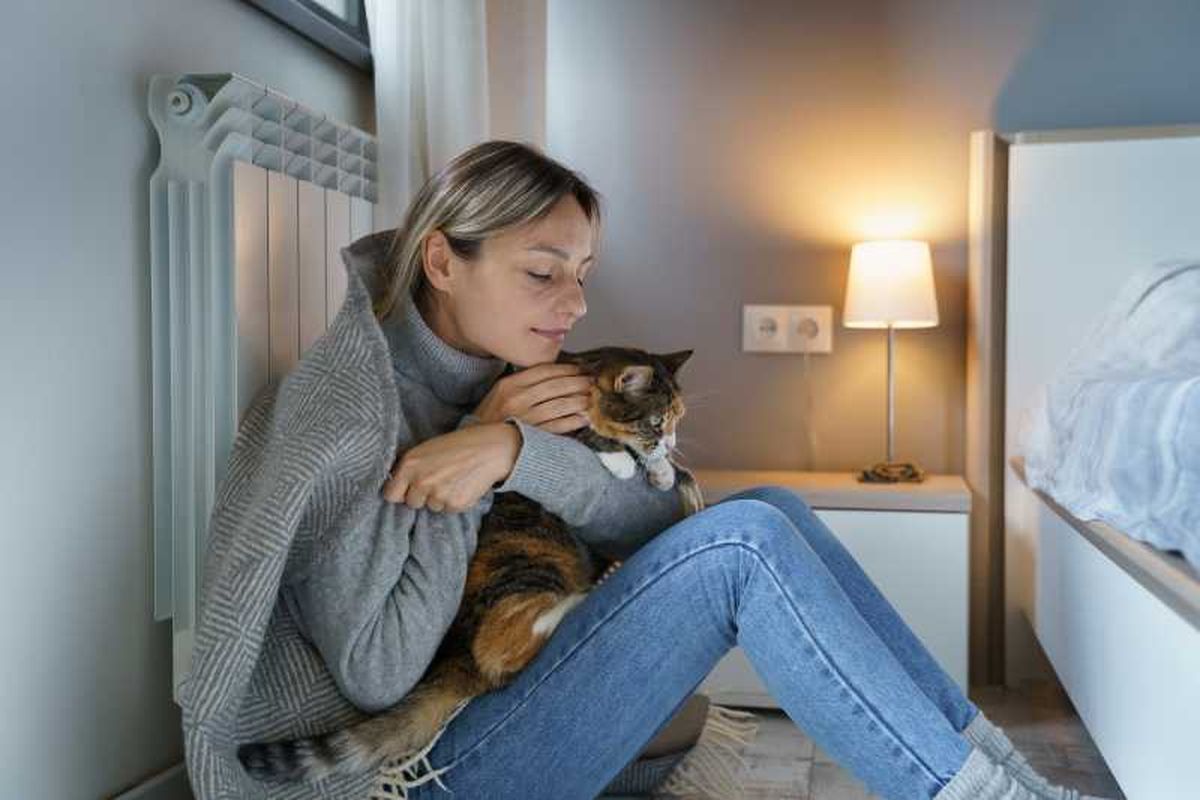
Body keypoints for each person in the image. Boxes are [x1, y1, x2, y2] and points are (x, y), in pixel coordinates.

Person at [181, 140, 1110, 800]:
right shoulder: (349, 410)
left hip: (494, 715)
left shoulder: (509, 380)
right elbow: (381, 674)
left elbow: (650, 527)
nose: (576, 302)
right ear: (441, 261)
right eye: (544, 272)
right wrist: (476, 450)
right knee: (744, 542)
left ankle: (1003, 776)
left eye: (582, 271)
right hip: (420, 771)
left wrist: (508, 450)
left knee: (770, 508)